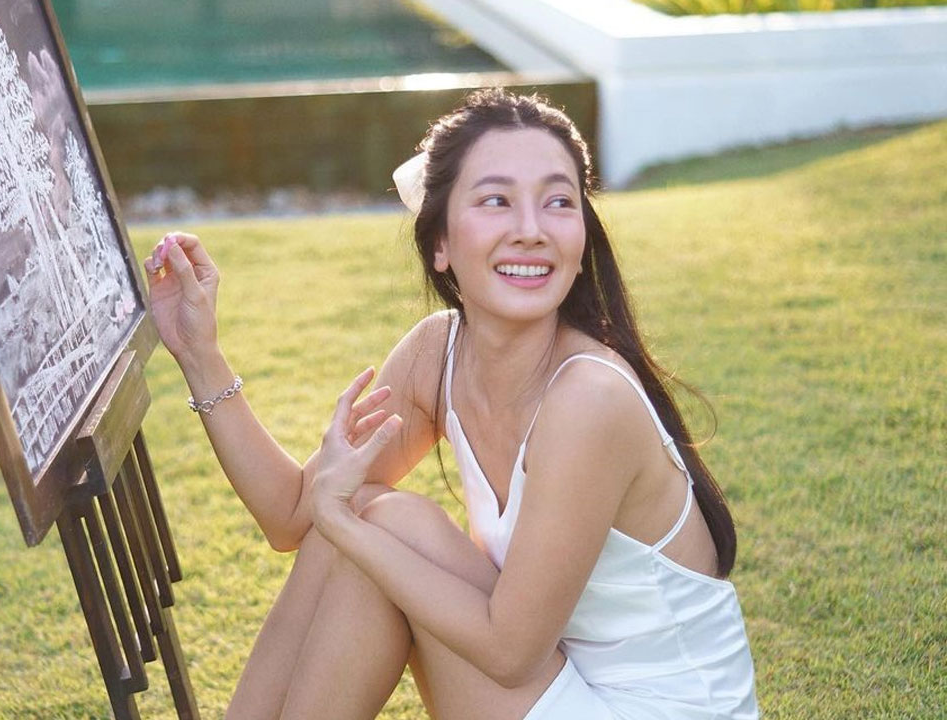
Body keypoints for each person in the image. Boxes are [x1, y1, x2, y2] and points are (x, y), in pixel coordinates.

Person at [143, 88, 758, 719]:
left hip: (648, 707)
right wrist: (199, 352)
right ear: (439, 243)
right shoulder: (438, 354)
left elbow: (510, 653)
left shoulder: (590, 398)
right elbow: (293, 517)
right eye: (496, 200)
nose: (531, 230)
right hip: (562, 685)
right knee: (366, 513)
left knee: (383, 524)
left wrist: (349, 526)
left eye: (558, 201)